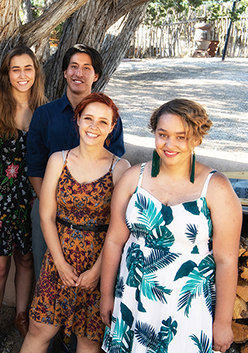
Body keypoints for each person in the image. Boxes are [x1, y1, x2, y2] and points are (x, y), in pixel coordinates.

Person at [100, 99, 242, 353]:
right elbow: (113, 241)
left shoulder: (216, 187)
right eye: (162, 134)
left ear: (197, 138)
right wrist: (106, 295)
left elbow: (227, 260)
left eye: (181, 136)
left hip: (187, 306)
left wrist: (222, 322)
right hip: (134, 298)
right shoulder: (134, 177)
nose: (170, 144)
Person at [21, 93, 131, 353]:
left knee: (89, 339)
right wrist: (59, 263)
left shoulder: (120, 168)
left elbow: (120, 228)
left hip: (98, 261)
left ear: (112, 127)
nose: (94, 127)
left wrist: (97, 272)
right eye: (88, 118)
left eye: (103, 122)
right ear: (78, 120)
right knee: (40, 329)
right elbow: (46, 215)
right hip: (59, 257)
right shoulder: (58, 160)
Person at [27, 44, 126, 283]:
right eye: (73, 67)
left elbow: (115, 164)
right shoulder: (44, 114)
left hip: (94, 215)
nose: (78, 73)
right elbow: (34, 164)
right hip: (47, 209)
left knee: (88, 280)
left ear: (96, 75)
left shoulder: (109, 118)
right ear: (64, 72)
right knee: (47, 273)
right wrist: (50, 205)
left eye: (86, 68)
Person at [0, 46, 47, 353]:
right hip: (1, 200)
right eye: (15, 69)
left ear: (35, 72)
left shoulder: (44, 110)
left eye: (27, 68)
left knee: (27, 260)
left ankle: (22, 316)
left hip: (32, 200)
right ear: (7, 74)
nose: (22, 75)